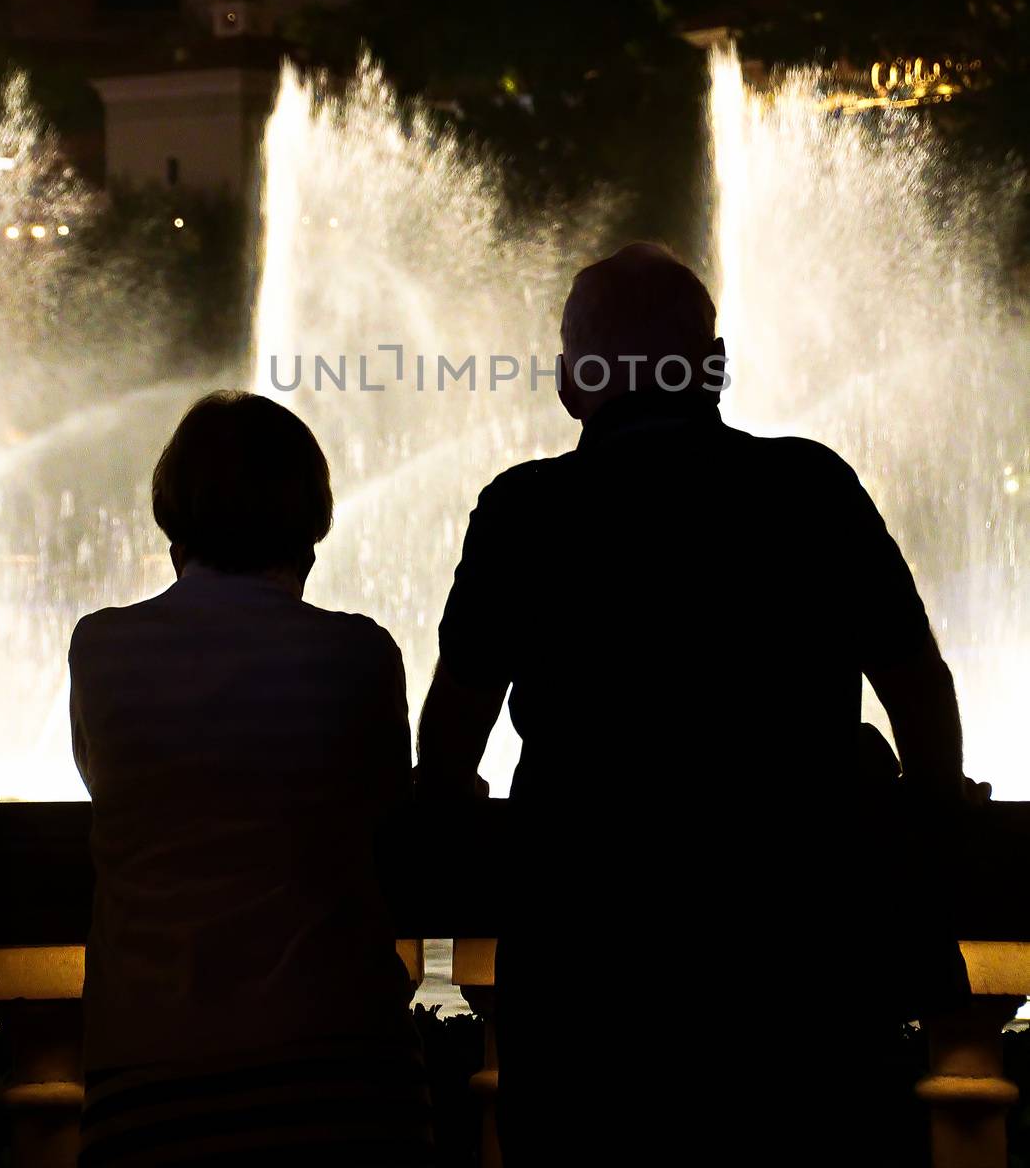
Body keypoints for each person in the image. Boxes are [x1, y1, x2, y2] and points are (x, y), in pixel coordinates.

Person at [417, 242, 974, 1166]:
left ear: (569, 382)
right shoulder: (809, 486)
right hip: (799, 969)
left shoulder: (525, 513)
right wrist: (934, 801)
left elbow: (450, 731)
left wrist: (448, 803)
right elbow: (917, 682)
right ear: (712, 367)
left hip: (589, 968)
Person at [69, 391, 431, 1167]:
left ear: (174, 522)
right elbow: (386, 807)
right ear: (307, 529)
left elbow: (104, 784)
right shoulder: (358, 655)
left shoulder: (101, 650)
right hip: (340, 1071)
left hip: (148, 1079)